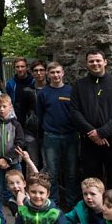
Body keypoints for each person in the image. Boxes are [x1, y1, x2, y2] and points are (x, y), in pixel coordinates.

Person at [70, 49, 112, 190]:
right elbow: (74, 111)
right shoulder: (79, 86)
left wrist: (102, 132)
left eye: (98, 60)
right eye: (91, 61)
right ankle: (93, 212)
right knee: (91, 182)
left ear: (105, 62)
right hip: (89, 141)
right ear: (86, 64)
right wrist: (92, 132)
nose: (95, 63)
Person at [37, 62, 77, 209]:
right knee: (52, 173)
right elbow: (40, 115)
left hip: (70, 136)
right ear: (48, 74)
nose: (55, 75)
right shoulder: (43, 93)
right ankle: (53, 204)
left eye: (58, 72)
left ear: (63, 73)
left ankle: (72, 205)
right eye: (52, 72)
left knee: (71, 173)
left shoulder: (71, 91)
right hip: (51, 136)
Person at [0, 94, 25, 204]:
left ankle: (21, 213)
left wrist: (7, 159)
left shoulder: (16, 125)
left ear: (10, 107)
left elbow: (19, 143)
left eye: (4, 106)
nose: (1, 109)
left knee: (18, 189)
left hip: (14, 162)